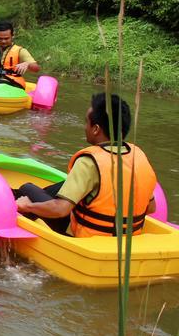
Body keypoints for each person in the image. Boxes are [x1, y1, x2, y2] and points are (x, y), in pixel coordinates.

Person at [15, 93, 157, 237]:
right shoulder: (138, 156)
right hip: (128, 234)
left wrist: (29, 206)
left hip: (89, 236)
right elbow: (151, 207)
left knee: (27, 189)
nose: (85, 127)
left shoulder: (89, 162)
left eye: (86, 122)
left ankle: (21, 208)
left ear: (96, 129)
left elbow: (60, 210)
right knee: (63, 186)